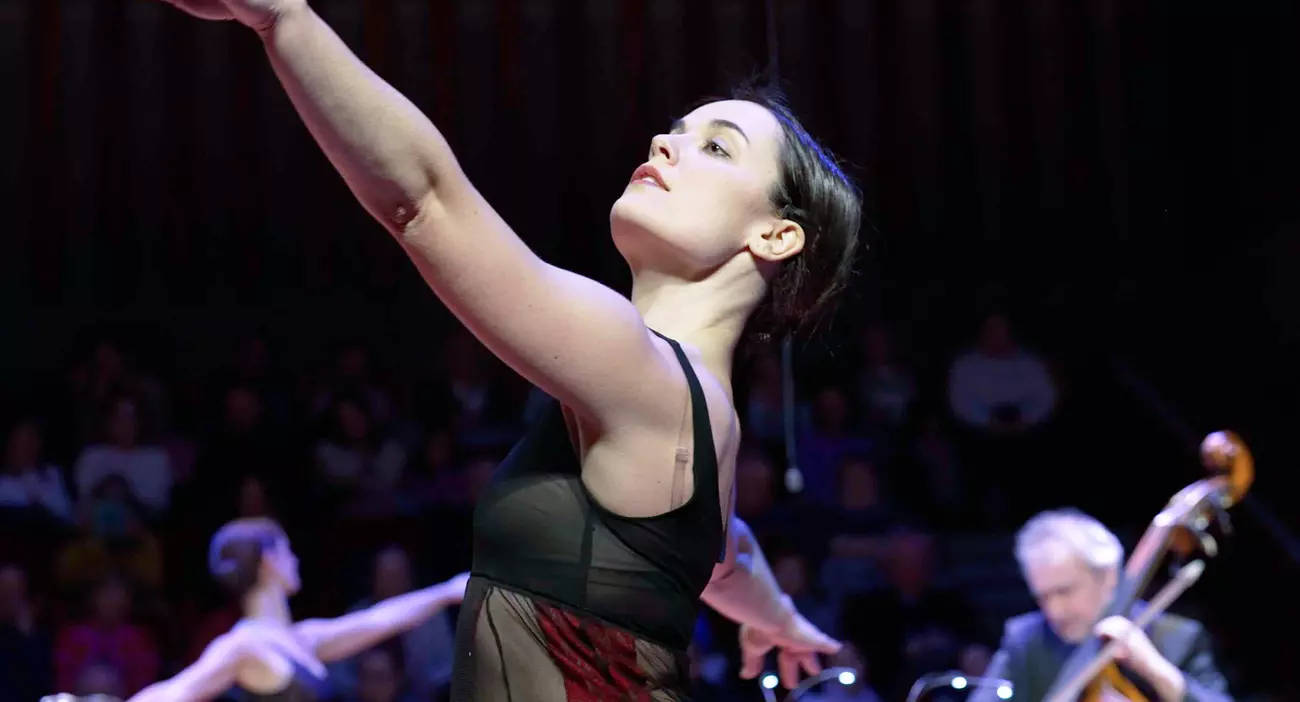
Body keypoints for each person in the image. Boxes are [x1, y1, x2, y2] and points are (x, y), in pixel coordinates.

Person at [156, 0, 858, 698]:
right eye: (673, 131)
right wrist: (782, 619)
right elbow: (729, 558)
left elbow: (424, 202)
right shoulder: (706, 427)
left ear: (775, 235)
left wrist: (284, 19)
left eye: (715, 146)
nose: (661, 143)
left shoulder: (645, 373)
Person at [121, 518, 467, 701]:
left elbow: (376, 620)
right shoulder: (244, 645)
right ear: (269, 561)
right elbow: (175, 692)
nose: (295, 558)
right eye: (287, 550)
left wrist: (447, 591)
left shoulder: (303, 638)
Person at [970, 510, 1231, 702]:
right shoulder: (1027, 640)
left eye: (1065, 591)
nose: (1054, 611)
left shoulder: (1177, 637)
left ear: (1108, 577)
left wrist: (1155, 669)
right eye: (1043, 597)